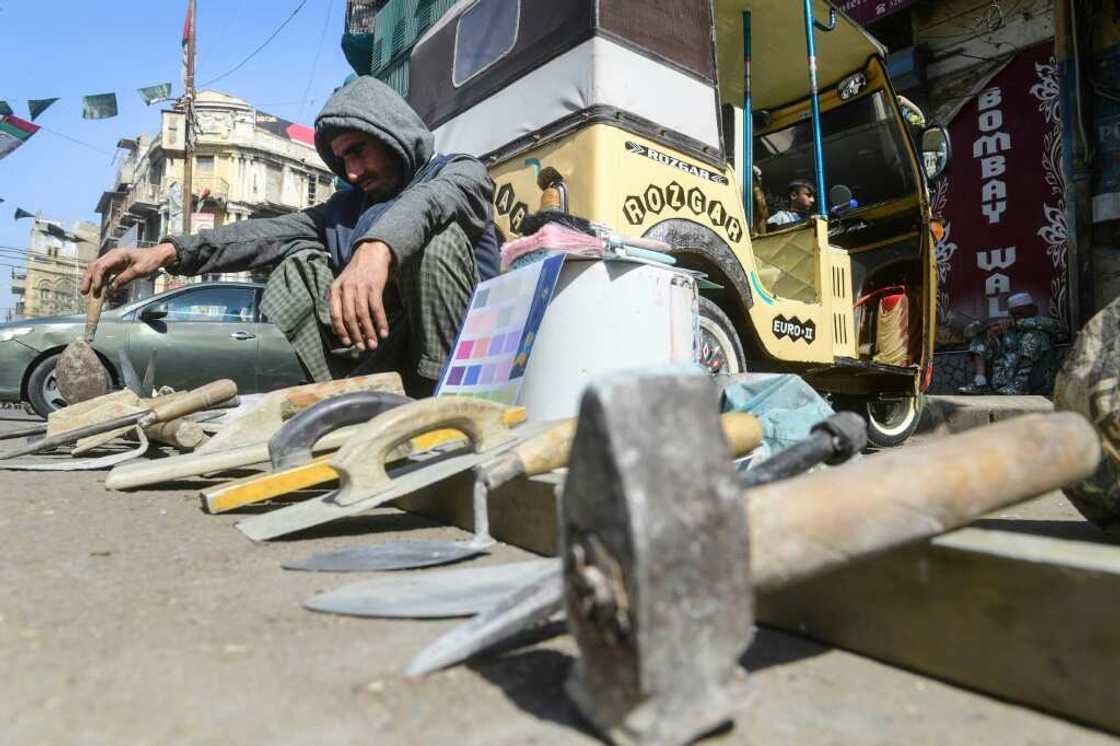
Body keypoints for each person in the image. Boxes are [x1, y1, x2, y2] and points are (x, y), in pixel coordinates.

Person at [81, 76, 498, 397]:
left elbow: (428, 203)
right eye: (341, 159)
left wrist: (376, 249)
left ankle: (445, 404)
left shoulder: (458, 173)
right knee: (296, 264)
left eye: (358, 150)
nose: (351, 171)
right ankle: (347, 395)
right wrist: (168, 251)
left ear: (393, 136)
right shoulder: (344, 211)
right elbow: (260, 234)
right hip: (382, 357)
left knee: (436, 242)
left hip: (463, 361)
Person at [959, 292, 1060, 395]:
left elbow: (1055, 325)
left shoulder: (1043, 324)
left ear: (1032, 310)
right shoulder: (1009, 330)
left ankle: (1018, 387)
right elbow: (969, 333)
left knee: (1032, 337)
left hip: (1035, 383)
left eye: (1020, 313)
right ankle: (980, 382)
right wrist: (991, 330)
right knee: (982, 336)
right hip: (1004, 385)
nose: (1017, 316)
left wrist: (1016, 324)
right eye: (1014, 314)